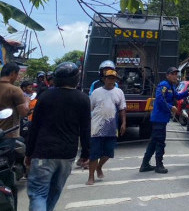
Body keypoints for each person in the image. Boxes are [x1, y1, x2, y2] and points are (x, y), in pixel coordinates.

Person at [25, 61, 90, 211]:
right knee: (54, 193)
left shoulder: (45, 96)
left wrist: (29, 153)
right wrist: (86, 153)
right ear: (76, 79)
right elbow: (85, 129)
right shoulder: (83, 99)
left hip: (43, 152)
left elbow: (34, 127)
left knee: (38, 194)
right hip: (67, 154)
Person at [139, 66, 189, 174]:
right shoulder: (164, 85)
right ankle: (159, 166)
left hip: (162, 119)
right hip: (159, 118)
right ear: (167, 75)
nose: (175, 76)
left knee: (154, 142)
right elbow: (160, 100)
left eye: (176, 74)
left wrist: (188, 91)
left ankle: (144, 164)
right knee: (160, 142)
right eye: (173, 74)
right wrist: (171, 107)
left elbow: (178, 96)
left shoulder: (171, 86)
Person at [86, 69, 126, 185]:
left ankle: (99, 167)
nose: (111, 80)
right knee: (94, 153)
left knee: (109, 153)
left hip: (112, 127)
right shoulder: (96, 92)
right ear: (104, 79)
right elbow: (90, 108)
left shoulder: (119, 92)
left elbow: (122, 108)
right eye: (109, 78)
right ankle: (91, 176)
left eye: (113, 78)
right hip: (96, 127)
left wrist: (123, 123)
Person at [0, 62, 30, 138]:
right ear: (13, 73)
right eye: (17, 74)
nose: (17, 77)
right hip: (8, 134)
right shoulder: (15, 90)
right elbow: (24, 112)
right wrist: (27, 101)